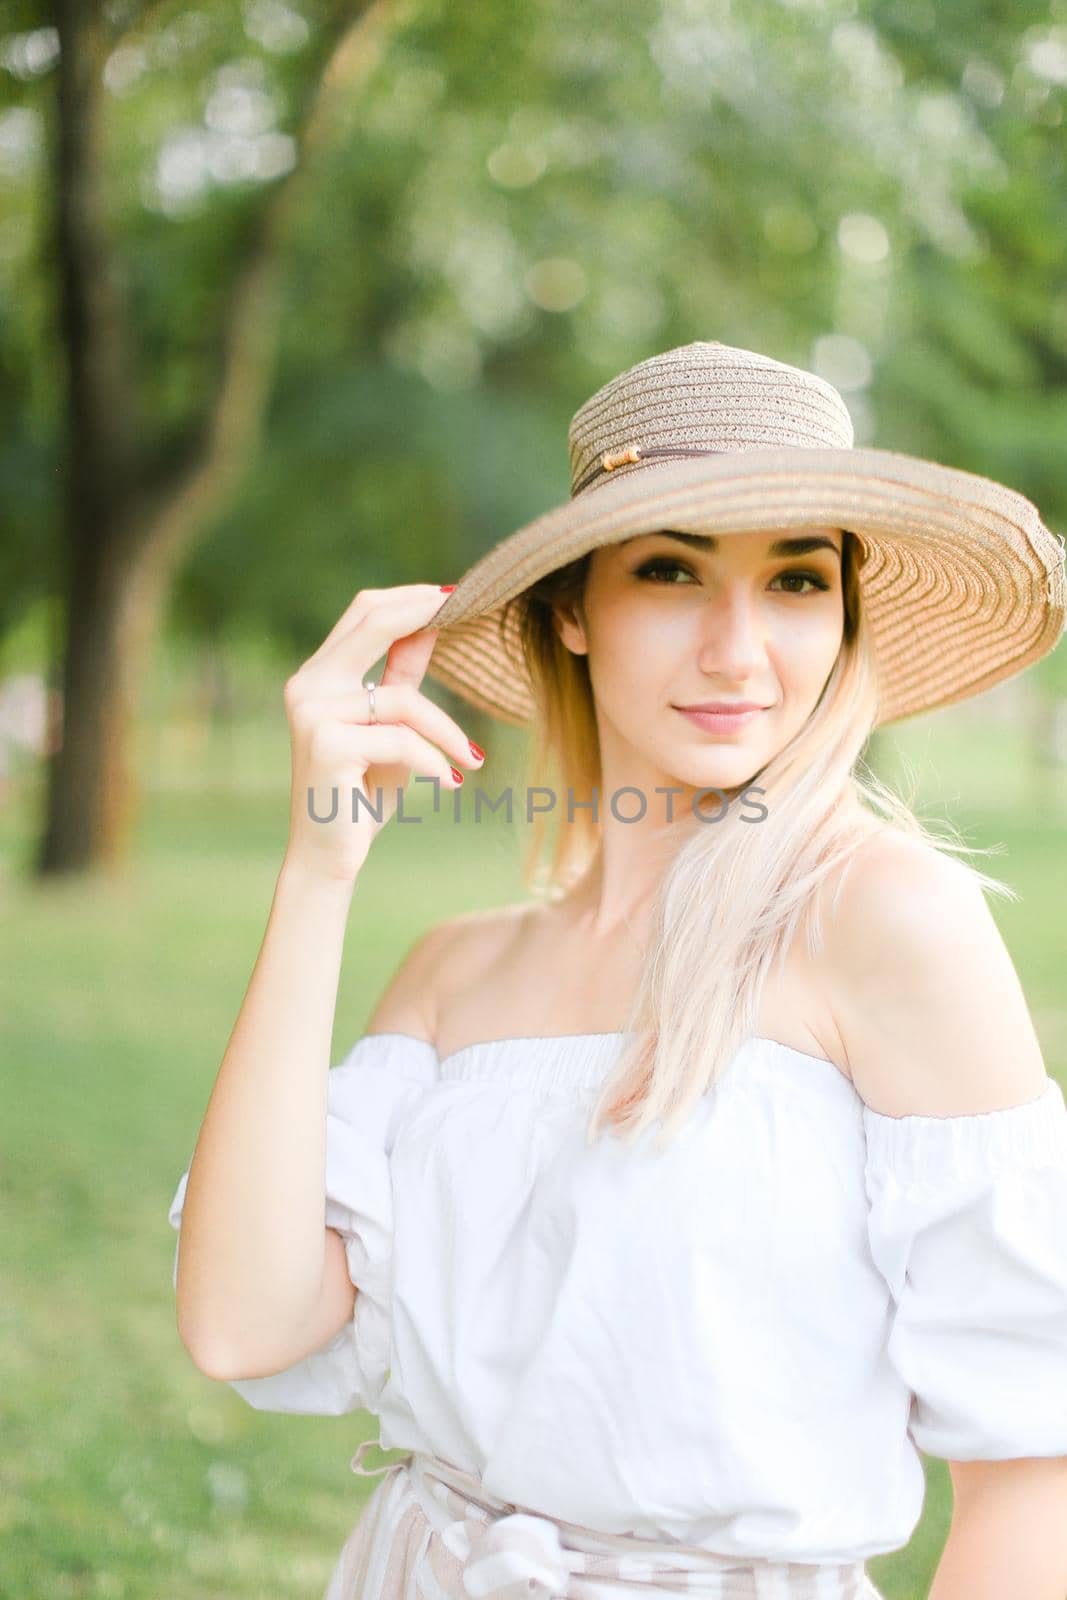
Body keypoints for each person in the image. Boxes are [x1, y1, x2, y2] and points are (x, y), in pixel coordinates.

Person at [168, 341, 1067, 1600]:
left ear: (843, 616)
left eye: (796, 579)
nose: (738, 650)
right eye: (669, 571)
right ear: (570, 609)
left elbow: (1033, 1469)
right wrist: (318, 877)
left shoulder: (883, 919)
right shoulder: (453, 974)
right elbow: (239, 1321)